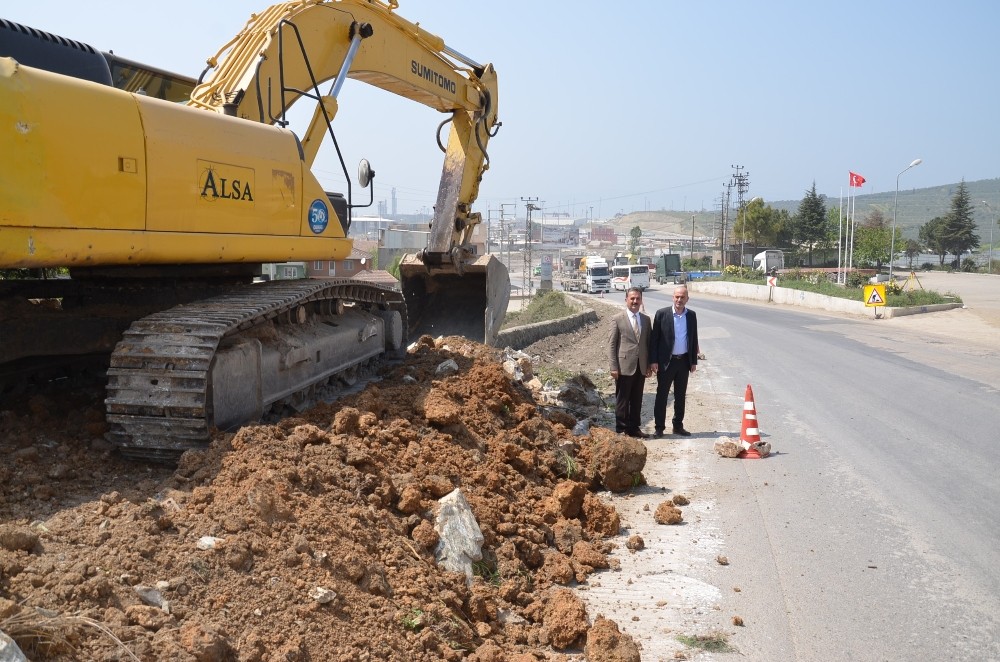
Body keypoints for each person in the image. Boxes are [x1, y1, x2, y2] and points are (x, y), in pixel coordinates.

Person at [649, 284, 699, 437]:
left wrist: (693, 361)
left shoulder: (691, 315)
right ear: (673, 297)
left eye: (682, 297)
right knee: (662, 396)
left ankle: (678, 425)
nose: (679, 299)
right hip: (666, 362)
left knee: (680, 396)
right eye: (677, 297)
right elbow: (654, 340)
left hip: (683, 362)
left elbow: (693, 338)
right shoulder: (661, 314)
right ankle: (659, 427)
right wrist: (653, 361)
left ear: (687, 299)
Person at [608, 287, 652, 438]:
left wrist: (648, 365)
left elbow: (648, 343)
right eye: (632, 298)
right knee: (622, 400)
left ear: (641, 300)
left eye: (637, 299)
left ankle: (634, 428)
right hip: (623, 367)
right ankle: (621, 430)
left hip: (640, 366)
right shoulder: (617, 319)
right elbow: (612, 345)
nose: (635, 301)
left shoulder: (646, 320)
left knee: (637, 399)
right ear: (626, 299)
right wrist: (613, 367)